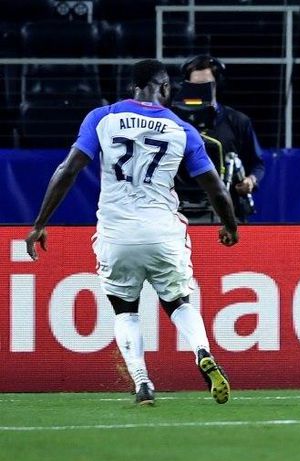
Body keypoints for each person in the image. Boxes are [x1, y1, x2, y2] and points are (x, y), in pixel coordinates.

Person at [25, 59, 239, 406]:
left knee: (126, 311)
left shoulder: (101, 118)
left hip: (116, 233)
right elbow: (215, 188)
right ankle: (202, 351)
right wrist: (229, 226)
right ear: (164, 87)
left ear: (133, 87)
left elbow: (68, 171)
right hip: (162, 233)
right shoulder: (182, 129)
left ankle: (142, 382)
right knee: (179, 302)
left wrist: (39, 224)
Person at [181, 55, 265, 223]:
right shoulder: (174, 121)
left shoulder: (238, 121)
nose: (201, 90)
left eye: (207, 84)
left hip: (228, 213)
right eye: (196, 85)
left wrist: (250, 180)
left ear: (217, 84)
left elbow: (257, 164)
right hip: (180, 213)